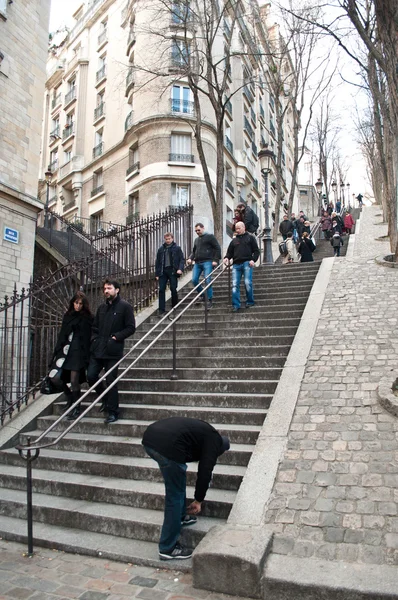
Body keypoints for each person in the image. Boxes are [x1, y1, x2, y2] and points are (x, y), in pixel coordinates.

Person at [142, 416, 230, 560]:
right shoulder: (213, 442)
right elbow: (205, 472)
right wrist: (198, 500)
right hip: (167, 444)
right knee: (175, 494)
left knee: (177, 481)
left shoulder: (206, 432)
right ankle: (167, 548)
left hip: (151, 438)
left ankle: (181, 516)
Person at [87, 279, 136, 424]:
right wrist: (94, 340)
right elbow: (95, 327)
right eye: (104, 289)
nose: (106, 291)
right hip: (98, 349)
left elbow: (131, 327)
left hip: (113, 351)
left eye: (109, 288)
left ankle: (113, 411)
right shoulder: (101, 308)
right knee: (91, 376)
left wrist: (116, 337)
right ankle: (105, 398)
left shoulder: (125, 307)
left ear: (117, 290)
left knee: (111, 380)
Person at [49, 292, 93, 420]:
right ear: (72, 303)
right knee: (54, 377)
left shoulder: (88, 318)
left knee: (74, 380)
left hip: (79, 351)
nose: (78, 306)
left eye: (80, 304)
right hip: (65, 350)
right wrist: (57, 350)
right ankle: (69, 396)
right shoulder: (67, 316)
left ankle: (76, 406)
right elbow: (62, 334)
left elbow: (89, 335)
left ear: (84, 305)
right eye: (76, 303)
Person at [223, 221, 260, 312]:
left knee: (247, 282)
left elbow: (256, 251)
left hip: (247, 262)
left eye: (239, 228)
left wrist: (253, 260)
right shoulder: (234, 241)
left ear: (244, 228)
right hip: (236, 264)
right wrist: (226, 258)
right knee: (235, 284)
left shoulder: (250, 238)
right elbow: (229, 253)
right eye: (236, 229)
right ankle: (236, 305)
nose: (237, 230)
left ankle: (250, 301)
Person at [187, 223, 221, 308]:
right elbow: (194, 251)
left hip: (207, 261)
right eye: (196, 231)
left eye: (199, 230)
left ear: (203, 228)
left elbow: (217, 248)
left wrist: (216, 260)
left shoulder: (210, 237)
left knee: (207, 279)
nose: (197, 232)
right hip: (198, 262)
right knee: (194, 280)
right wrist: (190, 258)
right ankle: (202, 295)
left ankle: (209, 300)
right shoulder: (196, 240)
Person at [155, 232, 185, 318]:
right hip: (163, 271)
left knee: (173, 288)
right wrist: (157, 273)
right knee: (161, 290)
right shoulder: (161, 249)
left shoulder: (177, 248)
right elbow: (157, 262)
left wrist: (180, 269)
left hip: (172, 270)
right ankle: (161, 310)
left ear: (172, 239)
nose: (168, 241)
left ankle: (174, 306)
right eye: (166, 239)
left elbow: (181, 259)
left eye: (169, 239)